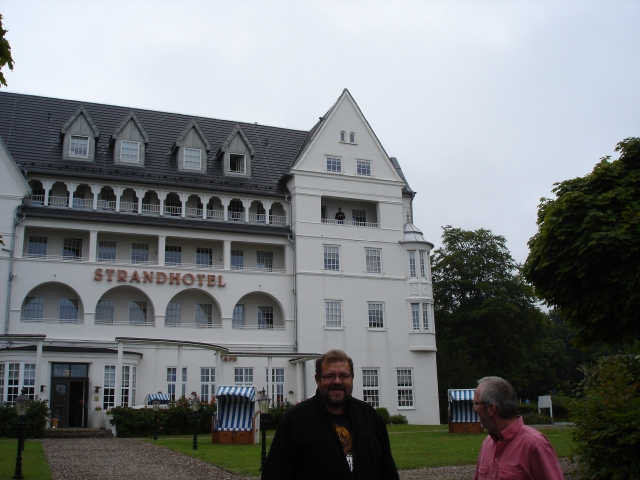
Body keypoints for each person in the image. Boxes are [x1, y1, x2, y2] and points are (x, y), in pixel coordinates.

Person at [261, 349, 399, 480]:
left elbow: (387, 471)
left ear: (352, 378)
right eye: (330, 376)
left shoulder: (370, 418)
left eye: (344, 376)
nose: (337, 381)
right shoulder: (295, 421)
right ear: (317, 379)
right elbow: (275, 474)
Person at [473, 376, 564, 480]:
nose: (474, 409)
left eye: (476, 404)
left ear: (491, 409)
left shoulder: (535, 445)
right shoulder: (487, 444)